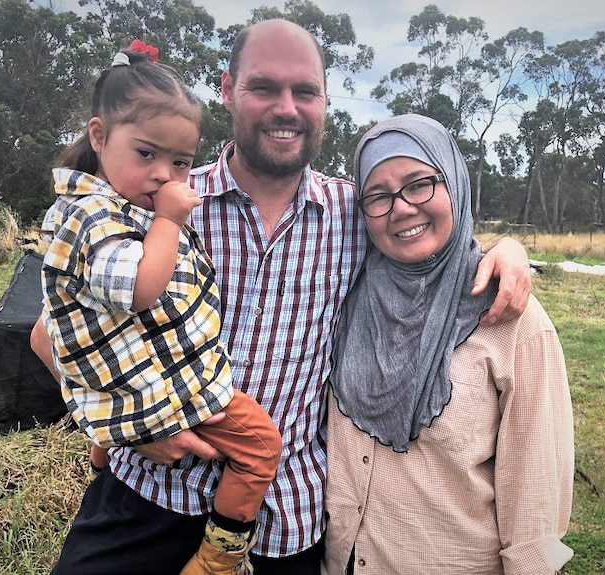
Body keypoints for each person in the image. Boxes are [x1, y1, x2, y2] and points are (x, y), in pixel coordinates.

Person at [32, 19, 533, 575]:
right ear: (227, 90)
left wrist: (507, 249)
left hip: (284, 517)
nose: (286, 108)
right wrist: (132, 423)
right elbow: (50, 334)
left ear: (324, 100)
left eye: (306, 91)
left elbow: (430, 237)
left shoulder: (353, 214)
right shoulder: (162, 198)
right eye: (264, 87)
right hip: (148, 493)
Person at [38, 40, 282, 575]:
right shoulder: (95, 218)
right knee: (263, 444)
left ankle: (104, 452)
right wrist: (171, 222)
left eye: (180, 162)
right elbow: (141, 291)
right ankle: (219, 558)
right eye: (146, 154)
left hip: (149, 395)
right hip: (169, 399)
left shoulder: (118, 212)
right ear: (99, 136)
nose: (165, 176)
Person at [324, 114, 575, 574]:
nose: (400, 208)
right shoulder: (344, 292)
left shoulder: (511, 318)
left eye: (420, 184)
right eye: (378, 196)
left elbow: (536, 494)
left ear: (455, 182)